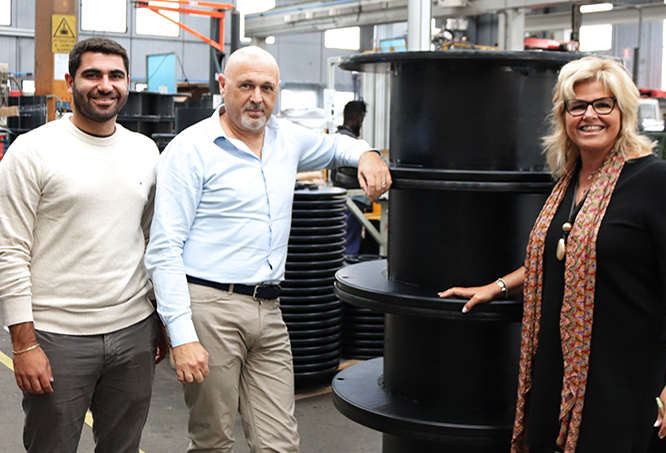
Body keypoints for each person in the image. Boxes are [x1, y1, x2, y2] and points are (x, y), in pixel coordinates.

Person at [144, 46, 391, 452]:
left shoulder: (286, 138)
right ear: (223, 86)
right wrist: (182, 334)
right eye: (246, 86)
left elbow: (336, 147)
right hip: (210, 308)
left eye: (267, 88)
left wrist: (368, 154)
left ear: (278, 90)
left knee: (280, 443)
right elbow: (165, 248)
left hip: (270, 311)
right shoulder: (190, 150)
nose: (257, 98)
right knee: (213, 441)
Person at [439, 56, 666, 453]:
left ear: (623, 112)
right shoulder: (568, 182)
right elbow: (559, 258)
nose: (590, 115)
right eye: (577, 106)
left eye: (603, 104)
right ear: (563, 116)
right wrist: (497, 287)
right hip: (559, 367)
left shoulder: (657, 181)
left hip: (624, 375)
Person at [0, 37, 166, 452]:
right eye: (92, 75)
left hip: (133, 333)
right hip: (57, 338)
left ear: (127, 83)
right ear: (69, 81)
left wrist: (161, 319)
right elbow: (10, 250)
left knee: (123, 447)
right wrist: (24, 343)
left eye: (116, 76)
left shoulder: (145, 151)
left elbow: (151, 240)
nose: (105, 85)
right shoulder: (32, 151)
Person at [333, 100, 371, 255]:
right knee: (348, 244)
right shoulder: (350, 143)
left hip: (343, 200)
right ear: (355, 118)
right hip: (351, 200)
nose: (361, 123)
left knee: (344, 240)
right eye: (361, 119)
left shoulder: (338, 138)